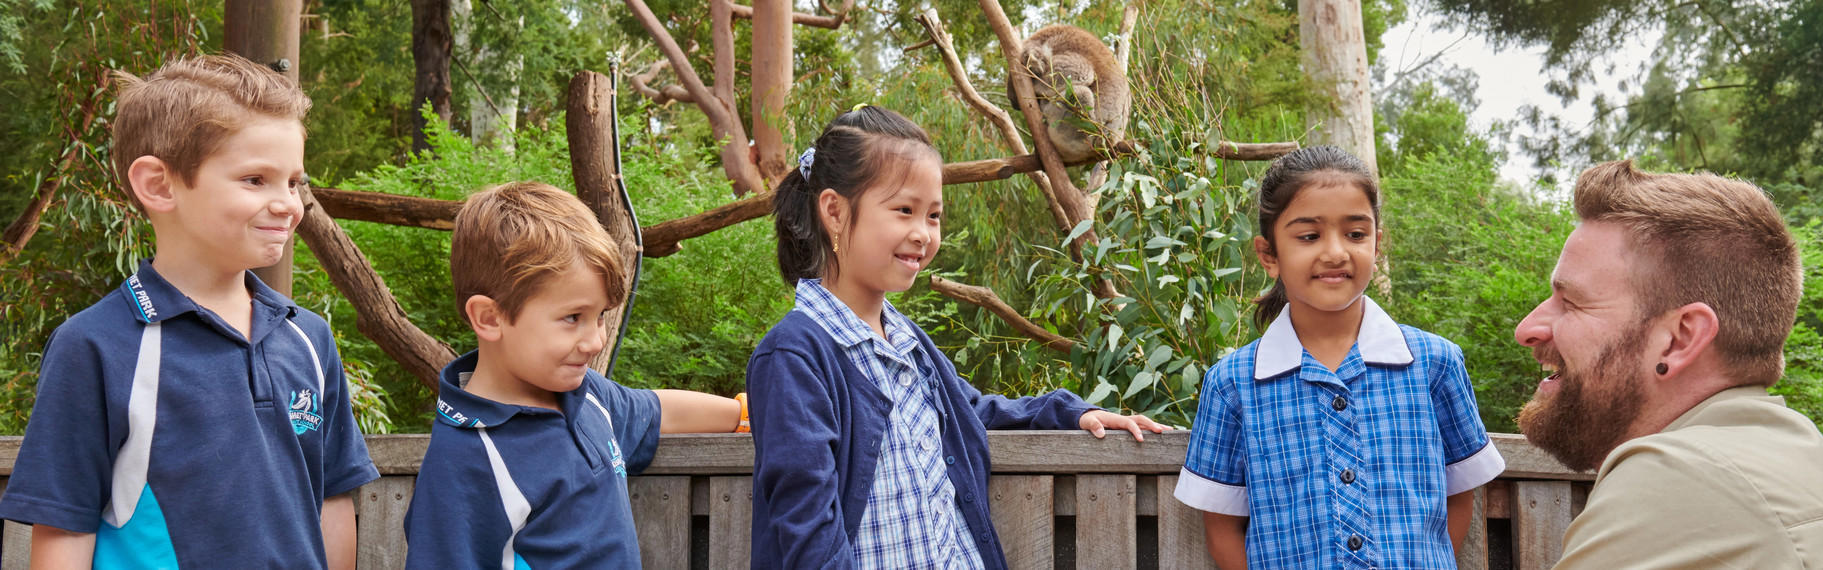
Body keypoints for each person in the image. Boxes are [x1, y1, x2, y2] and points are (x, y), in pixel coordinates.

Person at [746, 105, 1168, 569]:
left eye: (933, 216)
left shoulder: (907, 340)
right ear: (835, 211)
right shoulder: (795, 356)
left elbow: (969, 411)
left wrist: (1072, 411)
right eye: (904, 210)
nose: (923, 234)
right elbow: (808, 538)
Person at [0, 54, 379, 568]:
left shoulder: (309, 338)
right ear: (158, 184)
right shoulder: (95, 346)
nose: (290, 203)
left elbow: (333, 498)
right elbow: (64, 528)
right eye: (255, 180)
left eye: (294, 181)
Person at [1514, 160, 1823, 568]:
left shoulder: (1674, 478)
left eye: (1572, 302)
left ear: (1680, 339)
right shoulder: (1801, 453)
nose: (1527, 328)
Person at [1175, 146, 1504, 569]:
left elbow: (1458, 497)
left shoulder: (1436, 364)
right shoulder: (1232, 384)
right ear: (1268, 255)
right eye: (1309, 236)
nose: (1335, 252)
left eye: (1355, 234)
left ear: (1378, 242)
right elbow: (1222, 527)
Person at [402, 181, 745, 568]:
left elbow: (659, 410)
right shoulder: (465, 461)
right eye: (572, 318)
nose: (596, 340)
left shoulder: (587, 396)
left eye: (600, 316)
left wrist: (748, 414)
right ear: (490, 317)